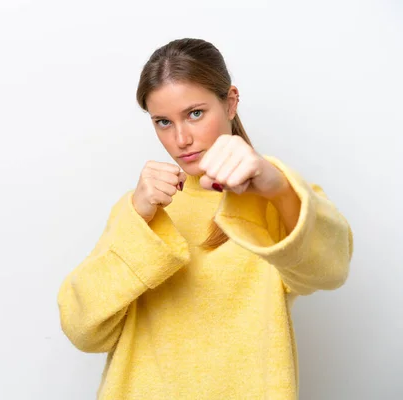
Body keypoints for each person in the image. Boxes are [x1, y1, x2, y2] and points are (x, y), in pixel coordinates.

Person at [57, 38, 353, 399]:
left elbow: (332, 269)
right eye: (163, 122)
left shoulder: (278, 197)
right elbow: (82, 331)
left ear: (230, 102)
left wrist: (275, 185)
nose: (181, 139)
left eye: (195, 113)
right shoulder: (139, 208)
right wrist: (138, 219)